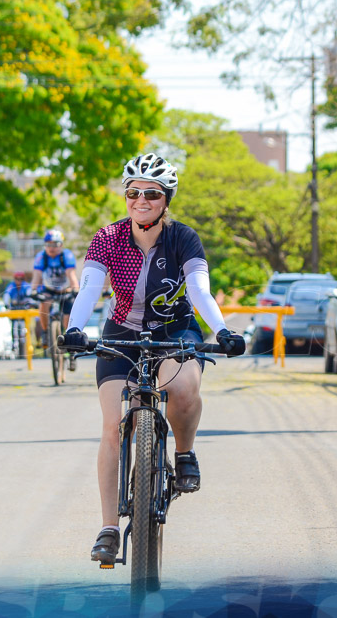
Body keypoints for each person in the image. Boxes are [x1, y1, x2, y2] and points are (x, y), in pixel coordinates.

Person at [59, 152, 245, 565]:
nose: (141, 200)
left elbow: (199, 289)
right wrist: (75, 328)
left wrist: (222, 331)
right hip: (122, 332)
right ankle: (109, 528)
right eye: (133, 193)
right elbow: (89, 288)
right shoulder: (106, 237)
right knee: (111, 426)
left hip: (173, 330)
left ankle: (183, 453)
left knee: (182, 387)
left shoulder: (184, 238)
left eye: (152, 194)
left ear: (166, 200)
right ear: (125, 197)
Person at [31, 229, 79, 346]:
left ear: (61, 245)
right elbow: (37, 275)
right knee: (43, 304)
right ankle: (46, 332)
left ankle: (69, 341)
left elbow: (71, 274)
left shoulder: (66, 255)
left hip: (65, 289)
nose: (51, 248)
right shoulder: (41, 256)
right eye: (48, 245)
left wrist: (75, 288)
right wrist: (33, 290)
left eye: (55, 245)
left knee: (67, 316)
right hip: (49, 289)